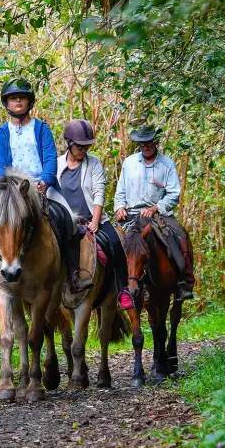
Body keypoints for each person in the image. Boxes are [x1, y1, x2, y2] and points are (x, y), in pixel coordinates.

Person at [0, 78, 75, 291]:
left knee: (71, 218)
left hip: (39, 185)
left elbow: (50, 158)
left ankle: (74, 274)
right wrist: (2, 186)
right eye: (13, 98)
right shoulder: (2, 132)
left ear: (29, 102)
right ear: (6, 104)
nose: (18, 101)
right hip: (8, 188)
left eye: (22, 98)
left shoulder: (41, 128)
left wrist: (44, 182)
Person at [56, 119, 134, 309]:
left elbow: (99, 193)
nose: (84, 150)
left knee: (115, 244)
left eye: (86, 146)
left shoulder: (94, 164)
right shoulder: (57, 164)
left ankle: (123, 291)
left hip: (92, 218)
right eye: (80, 147)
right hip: (65, 221)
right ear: (69, 144)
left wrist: (96, 222)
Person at [113, 125, 195, 301]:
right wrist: (119, 207)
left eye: (149, 143)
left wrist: (156, 207)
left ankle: (184, 281)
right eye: (142, 144)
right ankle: (115, 288)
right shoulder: (129, 163)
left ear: (155, 142)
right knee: (112, 242)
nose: (145, 146)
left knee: (179, 236)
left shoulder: (167, 165)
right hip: (131, 214)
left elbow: (173, 193)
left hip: (158, 215)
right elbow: (120, 191)